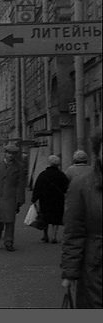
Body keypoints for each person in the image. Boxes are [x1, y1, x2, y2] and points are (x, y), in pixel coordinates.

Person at [60, 128, 102, 308]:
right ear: (98, 153)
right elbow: (73, 232)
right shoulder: (82, 185)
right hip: (96, 268)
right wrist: (70, 272)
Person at [0, 144, 26, 251]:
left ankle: (8, 242)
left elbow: (20, 184)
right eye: (9, 153)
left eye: (13, 154)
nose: (11, 156)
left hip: (10, 197)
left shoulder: (19, 166)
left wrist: (20, 200)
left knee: (10, 220)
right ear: (5, 153)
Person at [32, 155, 69, 244]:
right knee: (56, 217)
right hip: (58, 199)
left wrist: (34, 198)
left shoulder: (43, 174)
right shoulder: (61, 175)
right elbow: (66, 187)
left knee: (45, 216)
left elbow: (37, 187)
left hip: (45, 199)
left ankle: (45, 235)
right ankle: (54, 236)